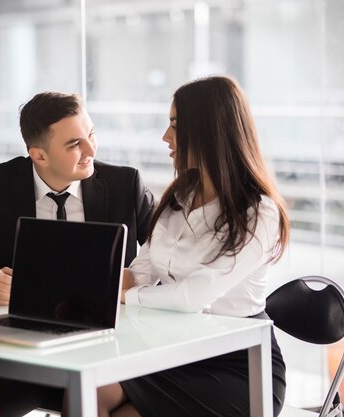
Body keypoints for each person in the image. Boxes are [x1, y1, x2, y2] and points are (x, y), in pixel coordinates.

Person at [0, 91, 156, 416]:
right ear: (38, 155)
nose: (91, 150)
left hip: (113, 347)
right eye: (74, 144)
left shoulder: (125, 184)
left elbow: (169, 263)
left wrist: (135, 284)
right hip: (26, 351)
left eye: (91, 134)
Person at [95, 75, 289, 417]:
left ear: (209, 131)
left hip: (240, 364)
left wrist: (128, 294)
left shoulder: (259, 213)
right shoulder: (177, 199)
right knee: (90, 393)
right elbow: (138, 272)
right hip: (175, 349)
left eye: (175, 125)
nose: (165, 137)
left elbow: (193, 297)